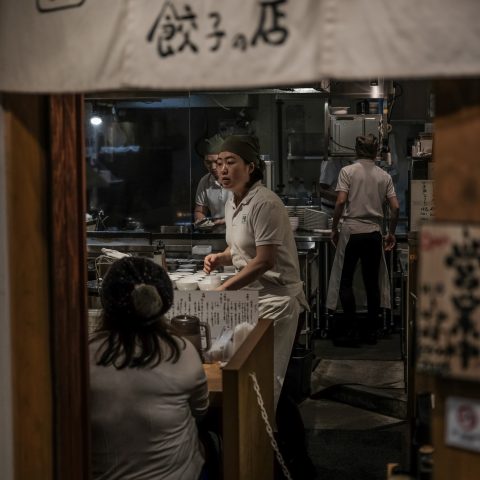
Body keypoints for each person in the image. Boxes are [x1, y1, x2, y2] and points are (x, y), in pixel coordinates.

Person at [203, 135, 316, 479]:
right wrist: (219, 258)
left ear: (251, 167)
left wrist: (222, 289)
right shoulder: (232, 201)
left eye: (231, 161)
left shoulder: (265, 203)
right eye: (218, 162)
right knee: (257, 384)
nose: (222, 168)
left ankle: (287, 465)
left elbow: (264, 261)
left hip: (277, 304)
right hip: (252, 301)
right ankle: (287, 462)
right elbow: (239, 252)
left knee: (269, 385)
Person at [89, 257, 209, 480]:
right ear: (163, 302)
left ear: (107, 301)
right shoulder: (182, 351)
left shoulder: (83, 356)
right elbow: (200, 411)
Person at [326, 134, 400, 346]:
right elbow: (395, 207)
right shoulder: (383, 176)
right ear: (376, 152)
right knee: (371, 283)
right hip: (374, 233)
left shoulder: (347, 172)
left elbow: (340, 202)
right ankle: (371, 332)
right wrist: (391, 232)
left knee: (346, 281)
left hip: (351, 230)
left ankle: (351, 331)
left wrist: (334, 227)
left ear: (356, 151)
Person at [194, 134, 229, 228]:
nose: (213, 167)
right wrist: (202, 222)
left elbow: (248, 212)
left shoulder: (239, 180)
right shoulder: (205, 181)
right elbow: (200, 211)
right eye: (208, 162)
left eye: (217, 161)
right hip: (216, 234)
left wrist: (226, 221)